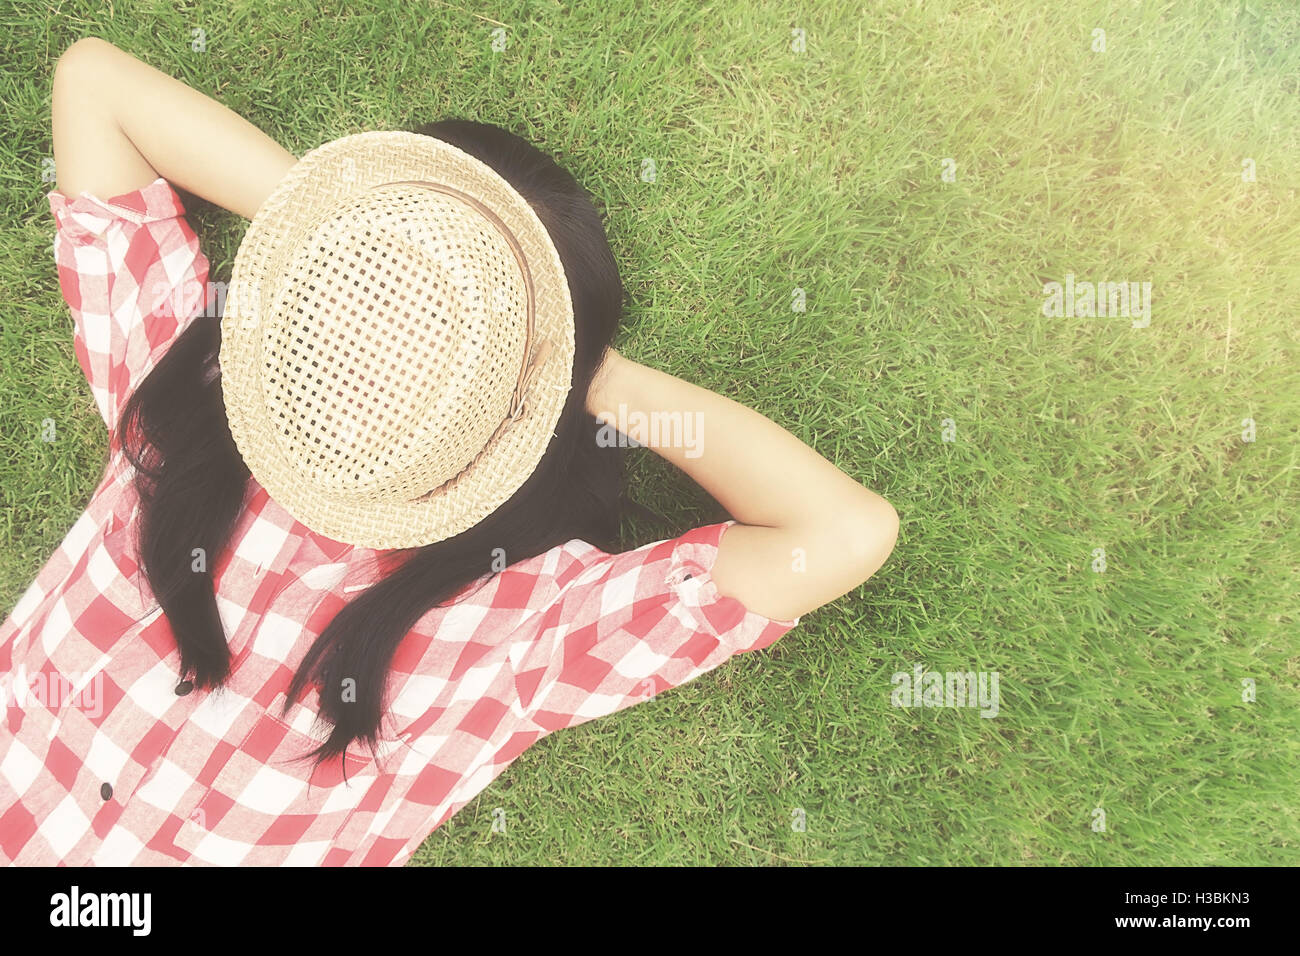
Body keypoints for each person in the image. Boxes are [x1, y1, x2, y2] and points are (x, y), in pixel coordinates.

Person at [0, 37, 899, 866]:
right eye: (378, 295)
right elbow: (94, 85)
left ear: (524, 404)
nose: (391, 351)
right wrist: (339, 234)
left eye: (452, 345)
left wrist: (580, 368)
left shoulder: (511, 617)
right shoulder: (197, 393)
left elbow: (841, 532)